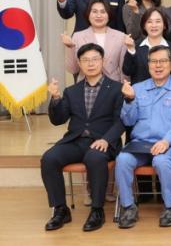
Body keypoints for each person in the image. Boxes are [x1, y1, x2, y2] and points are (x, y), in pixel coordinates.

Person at [41, 44, 125, 232]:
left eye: (95, 59)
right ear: (79, 64)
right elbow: (58, 120)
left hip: (103, 142)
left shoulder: (117, 89)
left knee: (94, 158)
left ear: (103, 61)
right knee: (49, 158)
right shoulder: (72, 91)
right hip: (76, 141)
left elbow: (121, 121)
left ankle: (97, 210)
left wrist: (106, 139)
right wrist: (56, 98)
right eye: (85, 60)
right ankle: (60, 210)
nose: (91, 64)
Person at [115, 45, 171, 229]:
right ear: (148, 65)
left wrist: (166, 141)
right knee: (122, 159)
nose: (158, 65)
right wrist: (129, 100)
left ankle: (170, 207)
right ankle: (128, 207)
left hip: (170, 144)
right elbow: (128, 120)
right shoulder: (137, 88)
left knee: (161, 161)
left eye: (163, 61)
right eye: (154, 61)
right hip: (140, 144)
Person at [62, 0, 126, 82]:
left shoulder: (121, 36)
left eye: (103, 12)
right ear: (88, 14)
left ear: (109, 15)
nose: (98, 15)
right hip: (86, 84)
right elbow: (73, 70)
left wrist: (124, 86)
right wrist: (70, 47)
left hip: (113, 85)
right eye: (94, 11)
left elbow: (124, 69)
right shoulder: (78, 36)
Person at [123, 7, 171, 84]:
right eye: (149, 22)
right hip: (140, 91)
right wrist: (131, 50)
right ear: (144, 26)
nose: (154, 25)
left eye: (158, 21)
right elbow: (127, 71)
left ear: (164, 25)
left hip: (167, 91)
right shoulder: (135, 46)